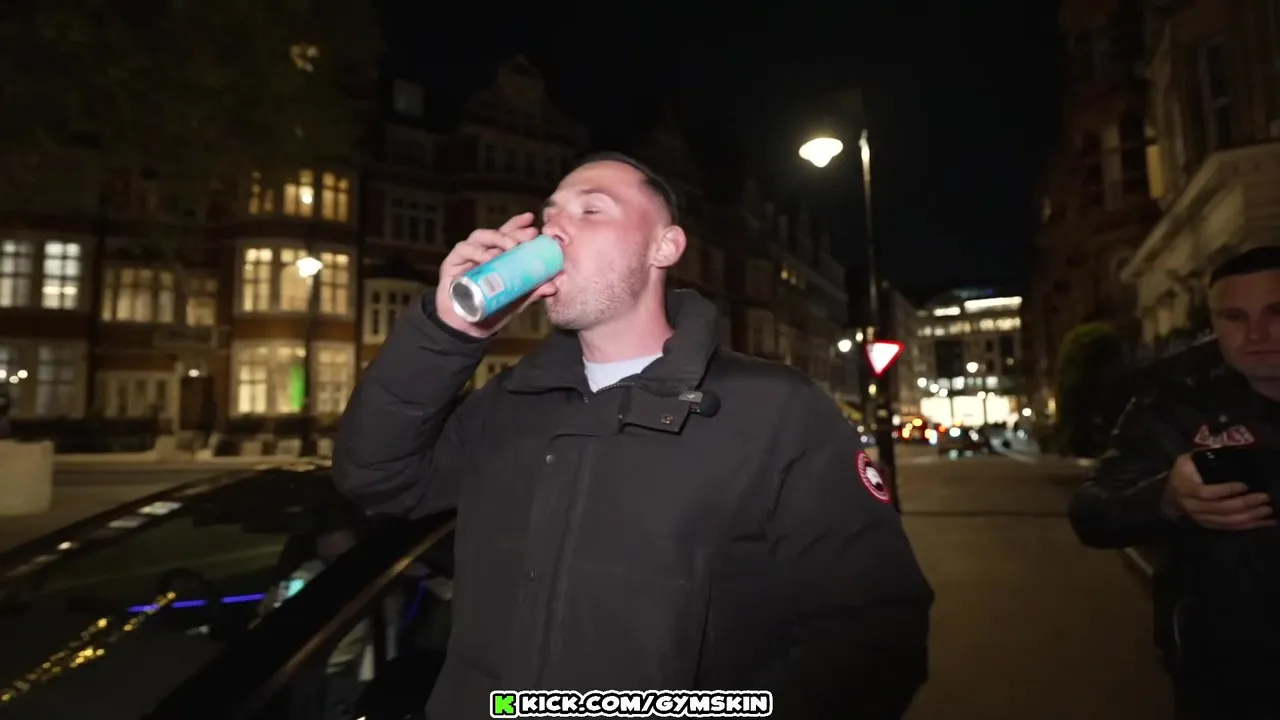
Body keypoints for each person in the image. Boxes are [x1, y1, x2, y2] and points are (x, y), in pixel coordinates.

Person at [335, 152, 933, 720]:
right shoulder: (510, 404)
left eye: (591, 210)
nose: (554, 230)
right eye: (549, 215)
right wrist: (446, 332)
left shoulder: (776, 410)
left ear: (664, 246)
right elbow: (376, 479)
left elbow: (875, 633)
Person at [1068, 245, 1280, 719]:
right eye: (1235, 317)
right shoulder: (1175, 399)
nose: (1257, 334)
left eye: (1276, 312)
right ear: (1214, 321)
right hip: (1231, 673)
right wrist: (1165, 498)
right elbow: (1091, 509)